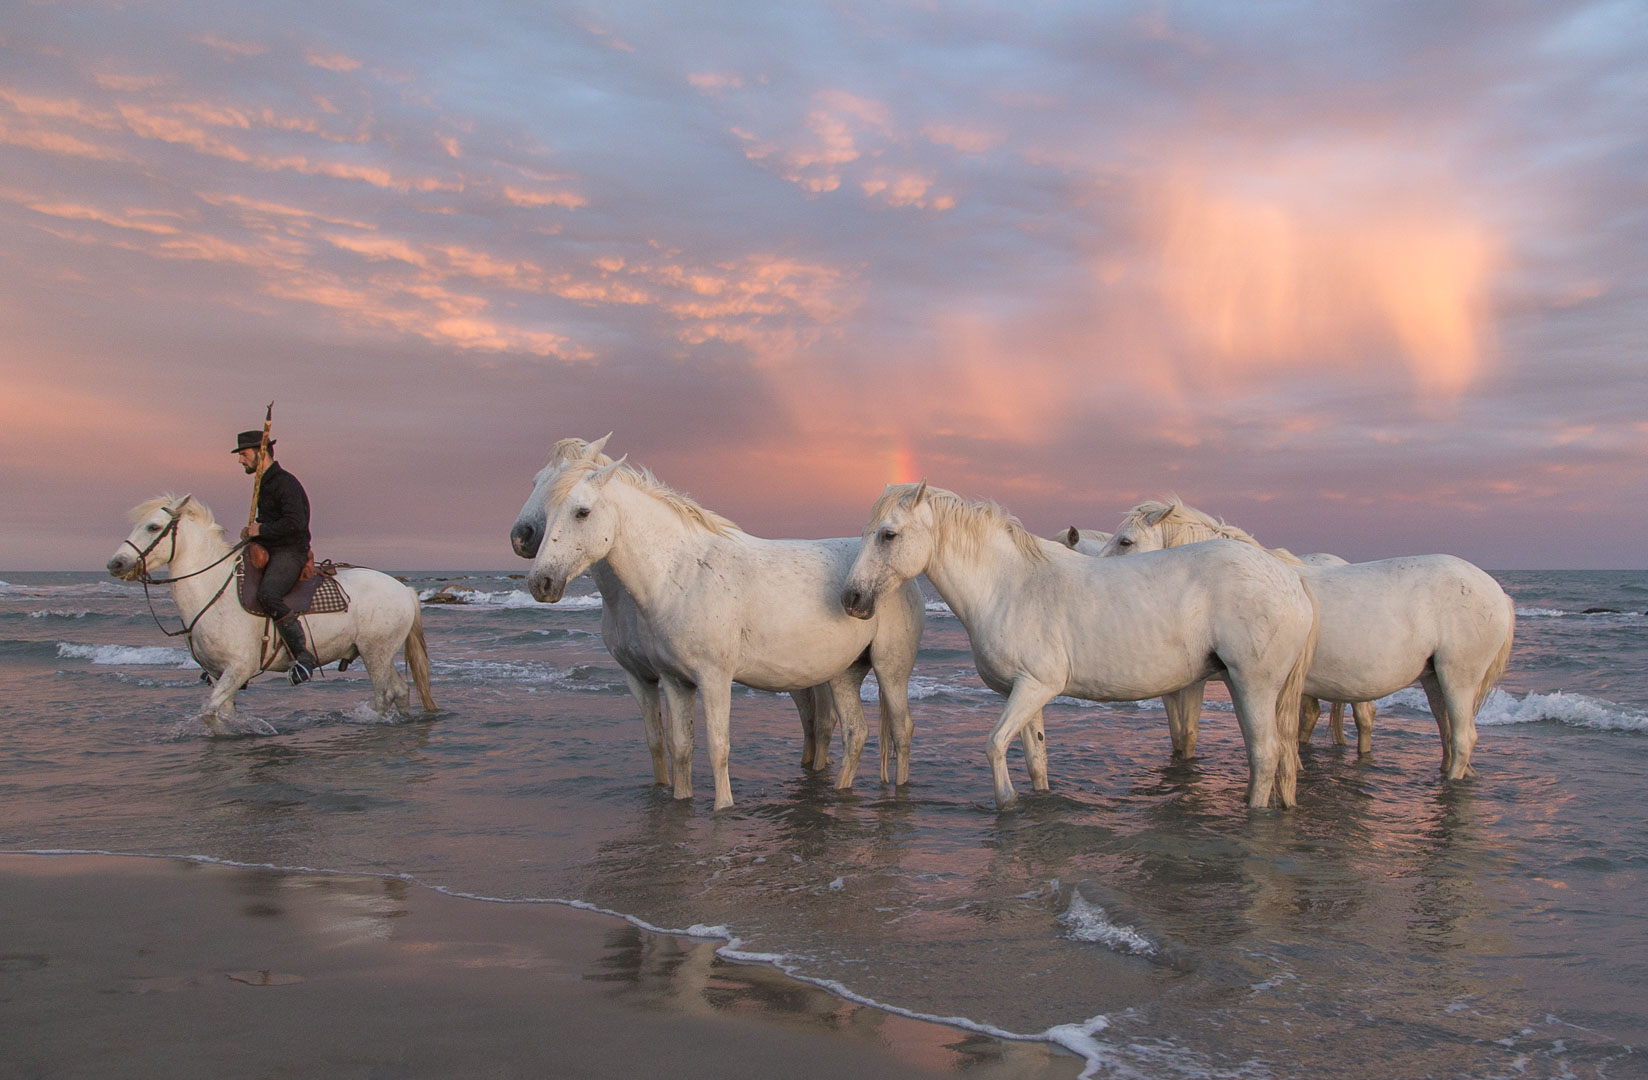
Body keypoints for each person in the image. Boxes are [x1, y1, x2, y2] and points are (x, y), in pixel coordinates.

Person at [233, 429, 318, 684]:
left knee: (267, 594)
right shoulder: (263, 483)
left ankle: (303, 657)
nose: (240, 460)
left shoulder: (285, 483)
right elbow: (269, 522)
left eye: (244, 454)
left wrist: (262, 530)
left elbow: (296, 523)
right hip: (270, 548)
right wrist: (252, 534)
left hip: (291, 551)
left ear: (261, 452)